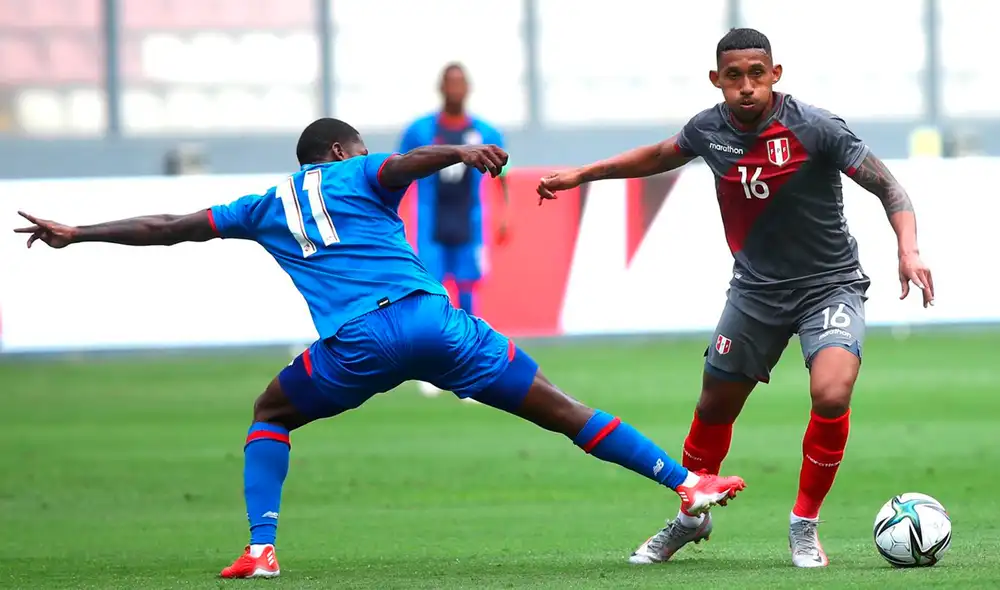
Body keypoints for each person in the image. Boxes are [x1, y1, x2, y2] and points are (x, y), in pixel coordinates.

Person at [15, 118, 747, 579]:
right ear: (338, 151)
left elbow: (169, 225)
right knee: (560, 407)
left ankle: (262, 550)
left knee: (271, 412)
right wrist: (457, 150)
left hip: (358, 345)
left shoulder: (260, 206)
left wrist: (77, 234)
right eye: (358, 147)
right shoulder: (356, 170)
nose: (366, 155)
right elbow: (401, 166)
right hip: (434, 322)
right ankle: (686, 483)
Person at [536, 28, 934, 569]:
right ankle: (691, 516)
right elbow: (658, 155)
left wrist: (908, 250)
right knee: (713, 406)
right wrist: (585, 173)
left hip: (830, 285)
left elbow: (891, 189)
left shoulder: (814, 128)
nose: (746, 86)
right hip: (755, 291)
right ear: (716, 80)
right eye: (733, 76)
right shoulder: (708, 129)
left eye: (756, 74)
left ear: (775, 74)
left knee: (833, 393)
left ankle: (804, 524)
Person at [398, 63, 510, 397]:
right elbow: (399, 170)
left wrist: (506, 214)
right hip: (430, 222)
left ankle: (472, 367)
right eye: (450, 83)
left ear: (468, 89)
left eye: (461, 84)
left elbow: (503, 176)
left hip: (470, 223)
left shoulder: (486, 132)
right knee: (431, 295)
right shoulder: (419, 130)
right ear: (441, 88)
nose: (455, 90)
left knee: (468, 295)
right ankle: (429, 369)